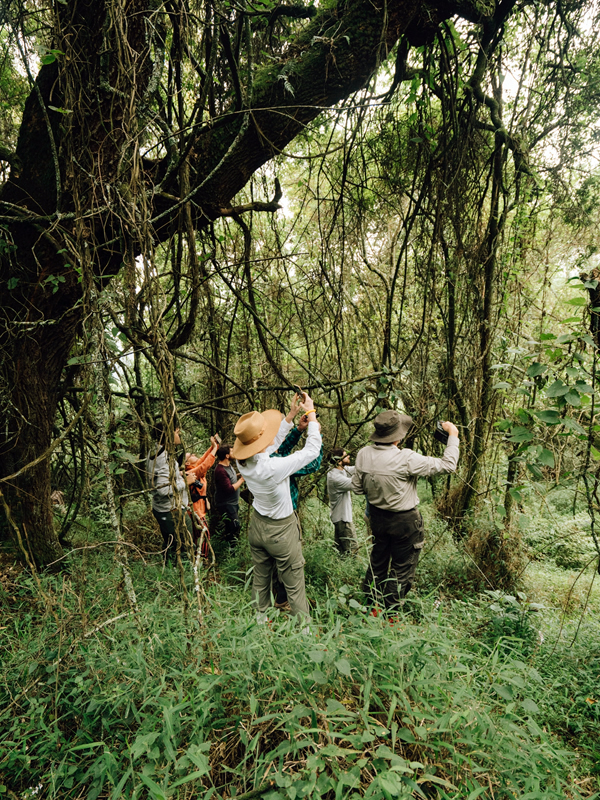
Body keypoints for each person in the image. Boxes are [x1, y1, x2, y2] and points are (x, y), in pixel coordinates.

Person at [352, 410, 459, 612]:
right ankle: (391, 615)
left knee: (378, 563)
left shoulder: (363, 454)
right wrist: (452, 435)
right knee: (402, 569)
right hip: (404, 522)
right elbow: (448, 465)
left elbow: (357, 488)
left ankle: (372, 608)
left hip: (377, 518)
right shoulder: (406, 458)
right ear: (398, 437)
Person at [232, 393, 321, 620]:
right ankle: (305, 630)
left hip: (258, 527)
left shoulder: (243, 462)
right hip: (281, 531)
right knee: (294, 585)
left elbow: (270, 445)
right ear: (261, 440)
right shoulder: (273, 468)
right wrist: (310, 414)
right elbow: (311, 453)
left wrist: (291, 416)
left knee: (261, 580)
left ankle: (260, 623)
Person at [270, 412, 323, 610]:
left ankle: (277, 596)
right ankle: (284, 600)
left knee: (275, 558)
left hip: (268, 519)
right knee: (289, 559)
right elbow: (313, 463)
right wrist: (316, 434)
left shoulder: (263, 458)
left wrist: (299, 429)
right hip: (285, 519)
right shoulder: (281, 466)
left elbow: (280, 448)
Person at [146, 421, 196, 562]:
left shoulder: (155, 452)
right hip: (171, 511)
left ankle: (169, 569)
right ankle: (185, 575)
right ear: (168, 435)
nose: (179, 435)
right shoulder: (163, 458)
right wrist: (186, 482)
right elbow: (163, 490)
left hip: (163, 509)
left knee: (171, 543)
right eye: (176, 432)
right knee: (183, 545)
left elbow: (161, 479)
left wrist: (177, 476)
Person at [185, 435, 219, 553]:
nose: (194, 455)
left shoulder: (195, 468)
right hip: (195, 511)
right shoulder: (189, 473)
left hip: (200, 509)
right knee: (204, 535)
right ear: (186, 462)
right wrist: (214, 449)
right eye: (191, 456)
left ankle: (199, 558)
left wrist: (213, 446)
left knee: (199, 536)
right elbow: (204, 466)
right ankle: (203, 560)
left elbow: (204, 460)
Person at [327, 447, 359, 555]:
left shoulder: (340, 470)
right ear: (338, 459)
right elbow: (356, 484)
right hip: (343, 520)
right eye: (346, 455)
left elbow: (355, 469)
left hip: (340, 519)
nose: (349, 456)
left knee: (341, 553)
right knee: (352, 552)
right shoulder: (335, 477)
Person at [213, 444, 245, 544]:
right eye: (232, 451)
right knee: (235, 526)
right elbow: (229, 489)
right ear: (227, 455)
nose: (234, 453)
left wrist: (240, 475)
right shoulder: (220, 470)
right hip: (226, 504)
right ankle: (232, 549)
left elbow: (232, 478)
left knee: (231, 527)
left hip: (232, 503)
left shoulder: (229, 466)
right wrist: (242, 480)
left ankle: (229, 546)